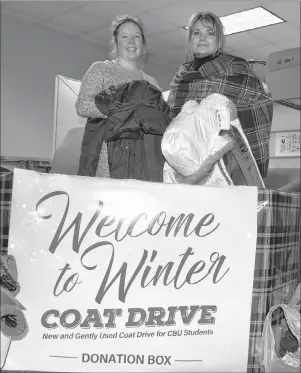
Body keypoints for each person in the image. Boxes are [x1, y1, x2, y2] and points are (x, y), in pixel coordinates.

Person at [168, 12, 273, 179]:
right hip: (191, 167)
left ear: (219, 40)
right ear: (189, 42)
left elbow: (261, 105)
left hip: (228, 162)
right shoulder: (181, 79)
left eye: (210, 33)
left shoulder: (237, 70)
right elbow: (172, 123)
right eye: (196, 33)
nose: (202, 38)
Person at [75, 15, 171, 181]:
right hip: (107, 160)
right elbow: (83, 105)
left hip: (144, 163)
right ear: (116, 41)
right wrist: (129, 111)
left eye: (136, 36)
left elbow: (160, 121)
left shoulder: (152, 83)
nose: (131, 41)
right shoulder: (101, 70)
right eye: (125, 36)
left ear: (143, 43)